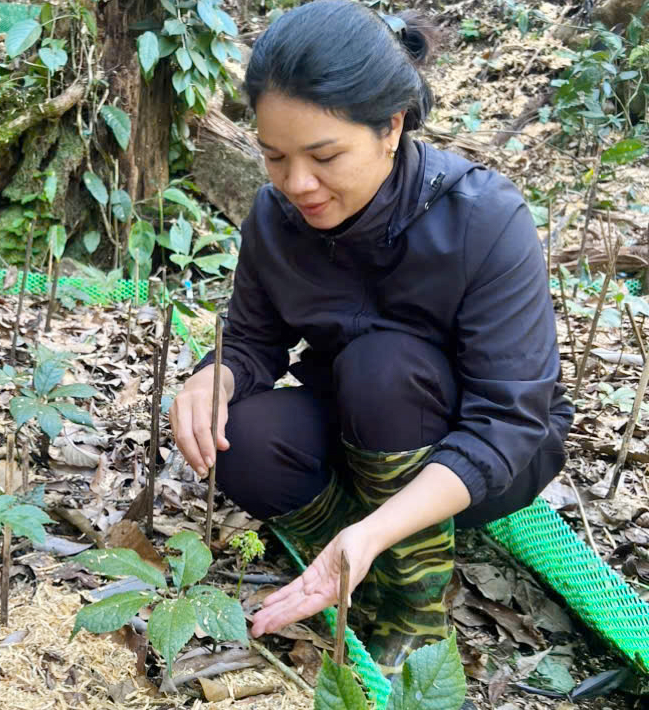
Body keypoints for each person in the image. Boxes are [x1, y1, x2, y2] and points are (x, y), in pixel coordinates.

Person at [168, 0, 574, 677]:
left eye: (324, 156)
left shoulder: (485, 220)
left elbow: (509, 419)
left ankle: (411, 602)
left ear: (390, 127)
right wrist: (216, 375)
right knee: (245, 441)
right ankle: (341, 560)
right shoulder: (276, 218)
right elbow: (252, 342)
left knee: (383, 365)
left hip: (482, 453)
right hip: (360, 426)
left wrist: (382, 527)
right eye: (274, 156)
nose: (297, 183)